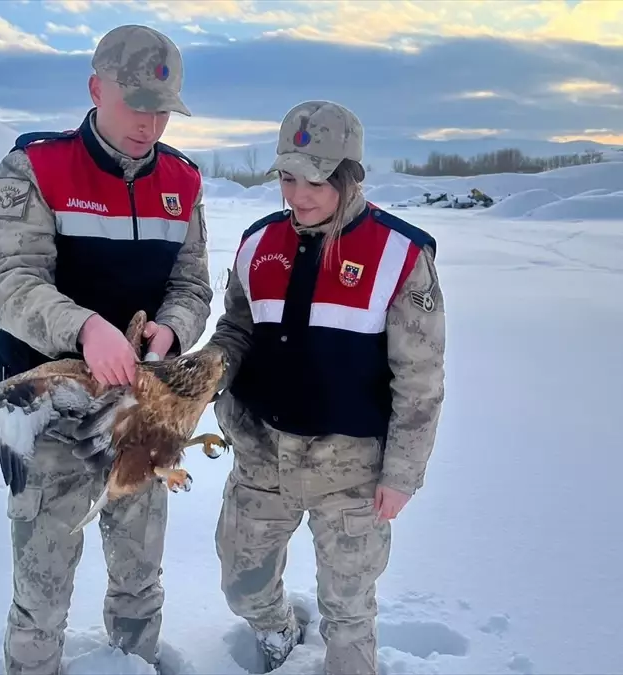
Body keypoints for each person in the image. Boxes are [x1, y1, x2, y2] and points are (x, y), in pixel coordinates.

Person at [0, 24, 212, 675]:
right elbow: (5, 280)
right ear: (95, 88)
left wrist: (172, 328)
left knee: (141, 562)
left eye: (162, 109)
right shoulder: (38, 166)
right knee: (43, 569)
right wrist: (84, 327)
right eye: (136, 104)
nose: (149, 122)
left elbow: (192, 285)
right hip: (43, 397)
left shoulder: (182, 181)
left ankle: (133, 660)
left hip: (139, 404)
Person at [206, 100, 446, 675]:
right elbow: (237, 327)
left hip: (353, 469)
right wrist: (209, 368)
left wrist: (402, 475)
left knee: (348, 608)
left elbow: (420, 378)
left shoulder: (400, 254)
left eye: (317, 179)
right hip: (262, 455)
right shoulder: (257, 243)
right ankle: (275, 630)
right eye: (288, 177)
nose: (300, 194)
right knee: (241, 583)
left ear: (349, 176)